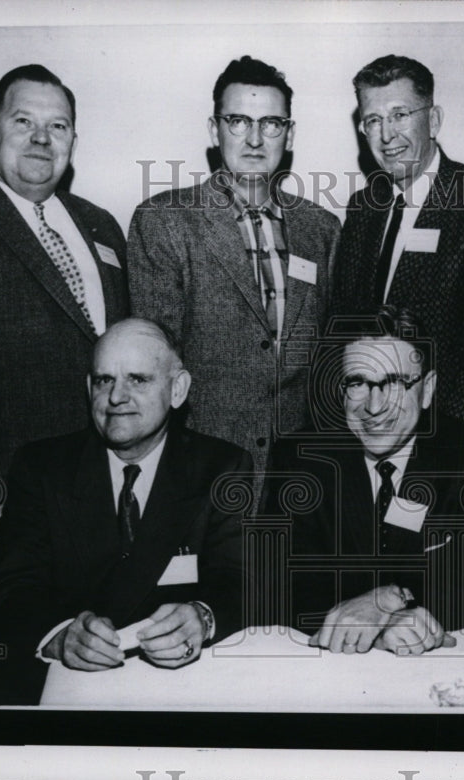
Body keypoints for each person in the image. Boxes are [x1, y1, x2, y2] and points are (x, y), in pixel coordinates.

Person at [0, 318, 251, 704]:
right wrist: (57, 634)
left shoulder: (221, 466)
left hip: (184, 691)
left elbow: (239, 578)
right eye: (103, 380)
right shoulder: (42, 467)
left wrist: (202, 616)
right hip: (70, 692)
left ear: (178, 390)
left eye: (138, 380)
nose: (115, 397)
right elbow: (11, 585)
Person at [128, 56, 340, 511]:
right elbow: (156, 362)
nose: (256, 138)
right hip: (202, 472)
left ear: (290, 133)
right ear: (214, 129)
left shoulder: (321, 228)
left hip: (300, 475)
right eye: (239, 121)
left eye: (271, 123)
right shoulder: (166, 221)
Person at [266, 306, 464, 655]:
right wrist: (374, 632)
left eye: (395, 383)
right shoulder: (301, 459)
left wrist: (391, 601)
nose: (375, 405)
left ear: (426, 390)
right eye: (358, 383)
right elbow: (281, 585)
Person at [331, 55, 464, 464]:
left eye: (400, 114)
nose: (386, 134)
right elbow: (343, 336)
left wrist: (426, 462)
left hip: (452, 458)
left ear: (434, 120)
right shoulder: (362, 209)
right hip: (366, 449)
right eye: (373, 120)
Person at [0, 64, 130, 548]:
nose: (41, 138)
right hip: (8, 510)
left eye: (57, 126)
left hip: (106, 496)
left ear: (72, 141)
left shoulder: (101, 226)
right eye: (23, 122)